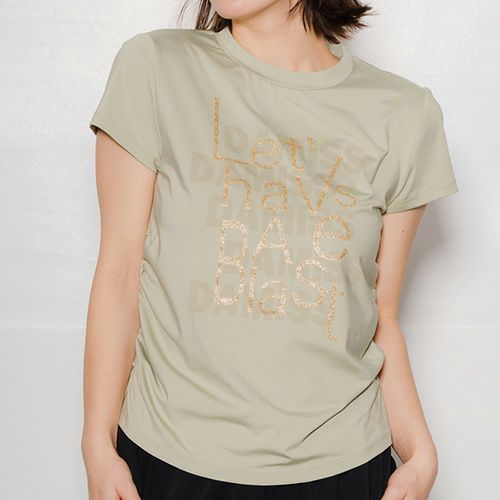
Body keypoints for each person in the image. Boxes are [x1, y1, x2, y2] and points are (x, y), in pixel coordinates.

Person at [81, 1, 459, 499]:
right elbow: (120, 273)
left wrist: (421, 453)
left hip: (342, 469)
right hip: (171, 459)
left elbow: (379, 318)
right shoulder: (156, 68)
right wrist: (97, 446)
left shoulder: (404, 114)